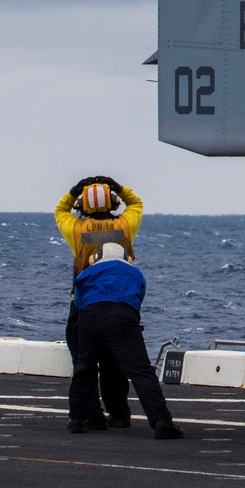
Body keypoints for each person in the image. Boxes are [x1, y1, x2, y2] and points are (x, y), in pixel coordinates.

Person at [54, 175, 144, 427]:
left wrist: (74, 191)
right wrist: (118, 187)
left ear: (82, 206)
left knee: (84, 362)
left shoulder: (76, 229)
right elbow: (136, 203)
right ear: (114, 202)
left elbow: (60, 210)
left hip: (85, 304)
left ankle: (92, 414)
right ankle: (119, 412)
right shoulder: (125, 226)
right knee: (115, 362)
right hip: (121, 300)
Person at [69, 241, 183, 439]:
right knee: (140, 370)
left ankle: (78, 419)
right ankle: (161, 421)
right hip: (121, 316)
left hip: (89, 317)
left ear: (96, 257)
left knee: (84, 367)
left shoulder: (86, 273)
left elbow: (77, 301)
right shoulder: (135, 273)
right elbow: (138, 298)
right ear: (126, 257)